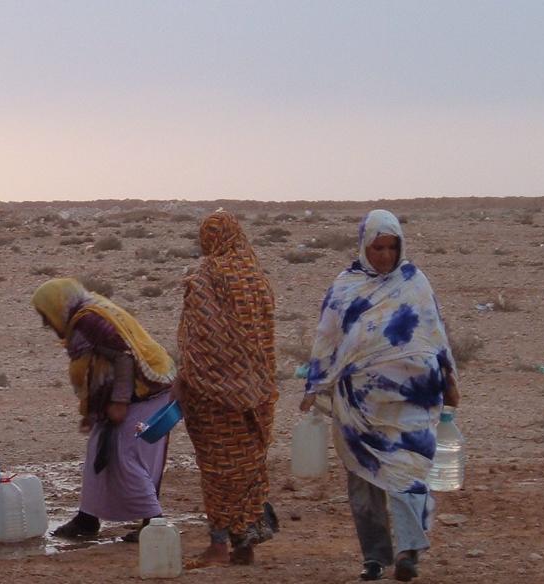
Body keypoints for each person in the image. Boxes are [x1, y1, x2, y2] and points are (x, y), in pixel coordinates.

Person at [300, 210, 460, 582]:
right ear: (364, 246)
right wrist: (314, 387)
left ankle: (409, 552)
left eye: (392, 247)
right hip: (359, 405)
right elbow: (327, 338)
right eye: (378, 248)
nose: (385, 256)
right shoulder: (345, 287)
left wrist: (450, 378)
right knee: (365, 478)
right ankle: (374, 556)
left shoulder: (414, 282)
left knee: (409, 472)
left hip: (412, 402)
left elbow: (434, 333)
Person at [31, 278, 176, 541]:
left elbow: (123, 356)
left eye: (45, 315)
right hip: (138, 392)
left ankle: (154, 524)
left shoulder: (89, 321)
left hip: (145, 393)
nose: (46, 324)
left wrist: (119, 402)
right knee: (98, 453)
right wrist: (93, 410)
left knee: (127, 457)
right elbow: (96, 367)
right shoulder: (86, 316)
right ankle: (87, 520)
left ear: (57, 307)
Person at [175, 210, 279, 568]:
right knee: (248, 468)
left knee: (219, 471)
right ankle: (245, 544)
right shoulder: (258, 279)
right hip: (258, 394)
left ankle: (218, 545)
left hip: (214, 395)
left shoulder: (205, 277)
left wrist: (186, 380)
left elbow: (201, 340)